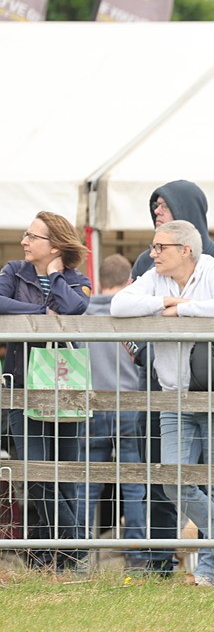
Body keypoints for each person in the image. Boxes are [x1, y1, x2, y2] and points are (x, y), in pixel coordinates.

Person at [111, 220, 214, 586]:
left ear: (185, 250)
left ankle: (211, 571)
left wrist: (184, 311)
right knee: (173, 478)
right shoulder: (154, 279)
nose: (153, 254)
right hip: (172, 395)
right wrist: (166, 301)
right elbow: (118, 304)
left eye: (160, 247)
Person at [0, 212, 91, 570]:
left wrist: (54, 275)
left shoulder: (74, 279)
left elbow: (75, 307)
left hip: (65, 386)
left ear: (54, 245)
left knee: (65, 473)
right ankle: (77, 542)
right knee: (37, 472)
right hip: (23, 387)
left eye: (32, 236)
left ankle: (55, 558)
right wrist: (40, 311)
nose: (24, 241)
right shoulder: (12, 271)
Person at [81, 254, 150, 570]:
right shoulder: (131, 314)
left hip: (90, 405)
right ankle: (137, 558)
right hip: (129, 405)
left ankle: (82, 555)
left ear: (98, 281)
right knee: (135, 484)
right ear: (128, 282)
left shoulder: (81, 313)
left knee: (86, 483)